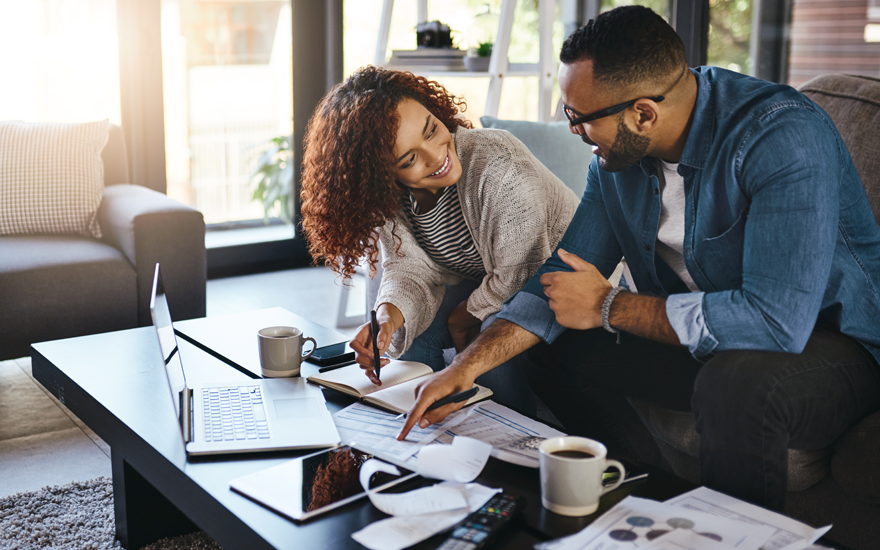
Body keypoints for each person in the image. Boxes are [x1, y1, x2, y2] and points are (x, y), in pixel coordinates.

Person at [399, 6, 880, 511]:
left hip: (832, 348)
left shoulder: (781, 138)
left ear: (644, 113)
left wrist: (611, 306)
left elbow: (776, 323)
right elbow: (560, 276)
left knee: (735, 384)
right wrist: (465, 367)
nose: (574, 131)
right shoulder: (616, 161)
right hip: (708, 341)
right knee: (545, 340)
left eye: (579, 118)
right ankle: (636, 500)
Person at [300, 66, 579, 413]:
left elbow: (521, 275)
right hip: (491, 278)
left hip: (556, 279)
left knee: (493, 328)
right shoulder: (392, 198)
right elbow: (411, 267)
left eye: (432, 130)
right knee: (414, 335)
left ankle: (509, 436)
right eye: (410, 158)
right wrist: (387, 319)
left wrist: (463, 317)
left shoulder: (498, 165)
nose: (436, 156)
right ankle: (421, 421)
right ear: (383, 176)